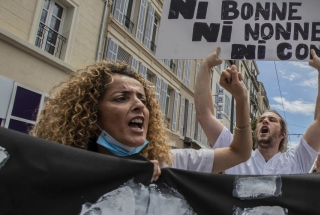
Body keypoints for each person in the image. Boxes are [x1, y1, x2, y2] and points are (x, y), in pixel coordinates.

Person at [32, 60, 252, 181]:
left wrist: (241, 99)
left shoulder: (169, 162)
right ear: (90, 117)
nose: (139, 105)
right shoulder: (61, 174)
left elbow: (239, 152)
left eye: (143, 99)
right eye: (121, 98)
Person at [195, 47, 320, 175]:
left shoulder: (297, 159)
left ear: (283, 134)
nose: (265, 120)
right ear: (256, 132)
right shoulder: (234, 155)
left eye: (272, 120)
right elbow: (205, 116)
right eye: (261, 120)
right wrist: (205, 65)